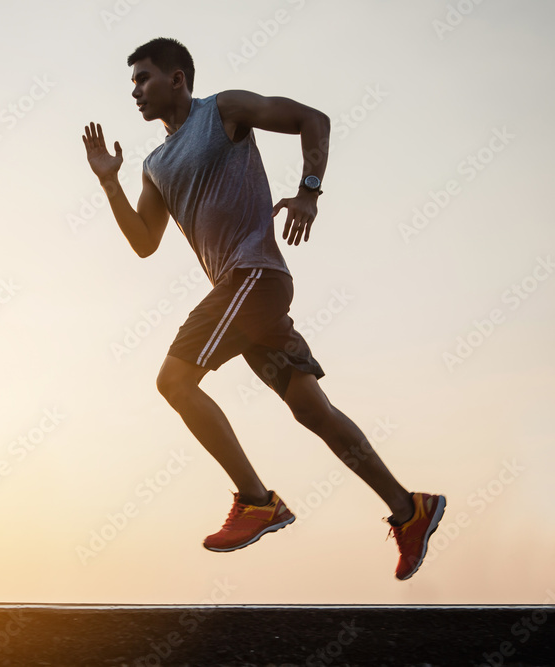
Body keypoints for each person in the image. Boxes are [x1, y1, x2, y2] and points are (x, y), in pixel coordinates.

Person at [81, 37, 444, 580]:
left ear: (177, 79)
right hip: (247, 300)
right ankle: (408, 509)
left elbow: (312, 119)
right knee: (311, 410)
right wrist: (110, 182)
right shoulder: (154, 165)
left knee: (174, 381)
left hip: (255, 279)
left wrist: (310, 193)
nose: (135, 90)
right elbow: (143, 242)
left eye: (143, 78)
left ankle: (256, 502)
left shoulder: (223, 110)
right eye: (132, 82)